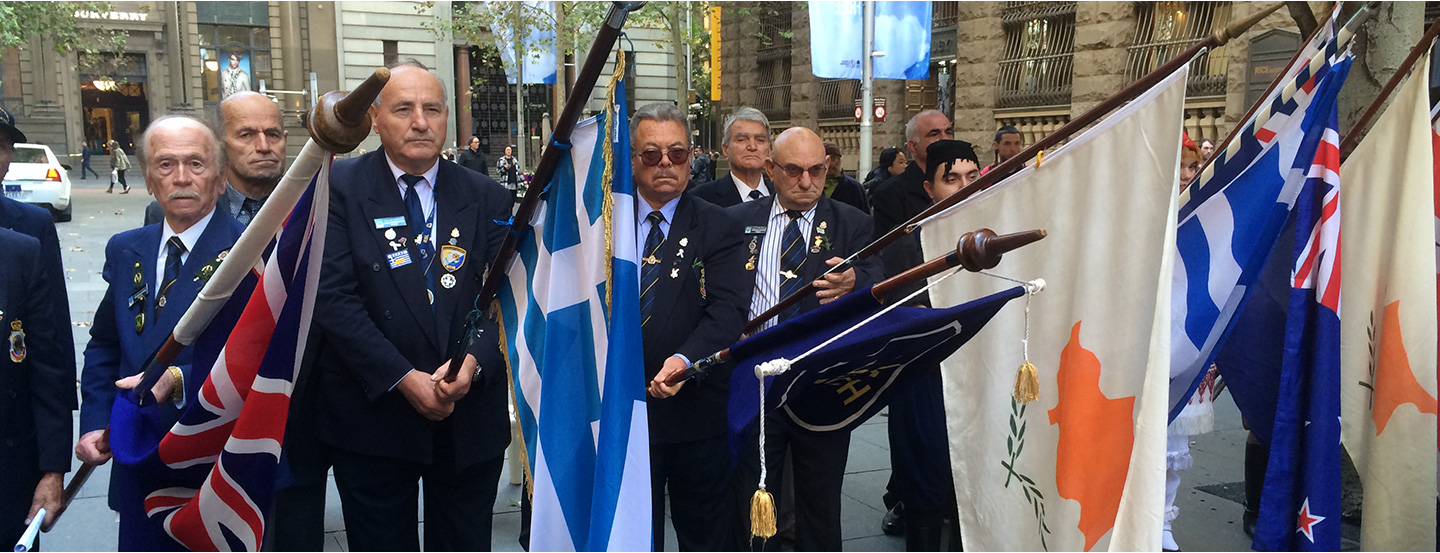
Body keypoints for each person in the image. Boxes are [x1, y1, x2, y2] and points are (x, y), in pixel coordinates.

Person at [312, 61, 512, 551]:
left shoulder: (489, 197)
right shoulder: (337, 189)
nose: (420, 121)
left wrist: (473, 366)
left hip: (467, 419)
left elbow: (506, 301)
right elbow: (333, 299)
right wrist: (403, 378)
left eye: (433, 109)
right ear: (376, 119)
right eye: (404, 109)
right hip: (373, 418)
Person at [76, 115, 245, 550]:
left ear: (221, 177)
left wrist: (177, 380)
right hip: (136, 455)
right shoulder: (126, 247)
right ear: (148, 180)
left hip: (215, 465)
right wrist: (94, 421)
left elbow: (258, 354)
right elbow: (105, 344)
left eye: (196, 163)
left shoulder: (254, 253)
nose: (182, 177)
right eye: (166, 165)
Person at [727, 127, 882, 552]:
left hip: (822, 381)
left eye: (818, 170)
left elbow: (882, 283)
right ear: (772, 169)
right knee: (754, 495)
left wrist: (857, 281)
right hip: (755, 380)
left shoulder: (852, 223)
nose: (807, 180)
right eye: (794, 170)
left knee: (820, 499)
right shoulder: (737, 223)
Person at [630, 101, 750, 551]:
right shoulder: (603, 223)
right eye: (652, 154)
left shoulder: (719, 226)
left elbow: (728, 311)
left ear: (692, 156)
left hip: (695, 413)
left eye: (677, 154)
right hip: (622, 411)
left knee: (704, 535)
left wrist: (683, 362)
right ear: (633, 158)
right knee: (633, 536)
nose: (665, 163)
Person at [887, 139, 984, 552]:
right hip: (926, 384)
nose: (962, 186)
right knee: (926, 487)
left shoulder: (993, 236)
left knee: (975, 491)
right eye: (951, 178)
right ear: (930, 188)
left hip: (982, 380)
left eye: (971, 176)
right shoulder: (908, 244)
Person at [868, 109, 953, 537]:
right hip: (918, 334)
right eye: (932, 133)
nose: (962, 186)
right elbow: (891, 264)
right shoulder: (891, 196)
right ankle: (906, 501)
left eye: (947, 131)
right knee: (917, 444)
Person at [0, 105, 74, 551]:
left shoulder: (25, 240)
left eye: (1, 146)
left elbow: (51, 354)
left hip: (10, 460)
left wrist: (53, 466)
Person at [1163, 134, 1213, 552]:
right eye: (1178, 165)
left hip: (1187, 334)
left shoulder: (1208, 211)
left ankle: (1163, 520)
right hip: (1149, 337)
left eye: (1191, 167)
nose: (1185, 174)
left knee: (1173, 443)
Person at [145, 91, 287, 228]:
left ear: (284, 140)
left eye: (273, 135)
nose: (263, 146)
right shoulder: (170, 210)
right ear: (218, 144)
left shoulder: (307, 206)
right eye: (246, 135)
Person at [691, 107, 774, 207]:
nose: (752, 147)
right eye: (742, 139)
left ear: (769, 148)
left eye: (760, 140)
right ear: (725, 149)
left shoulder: (783, 196)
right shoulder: (700, 199)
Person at [821, 141, 869, 213]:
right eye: (826, 160)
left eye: (833, 159)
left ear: (839, 160)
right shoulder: (812, 186)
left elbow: (865, 216)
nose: (830, 164)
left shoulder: (854, 187)